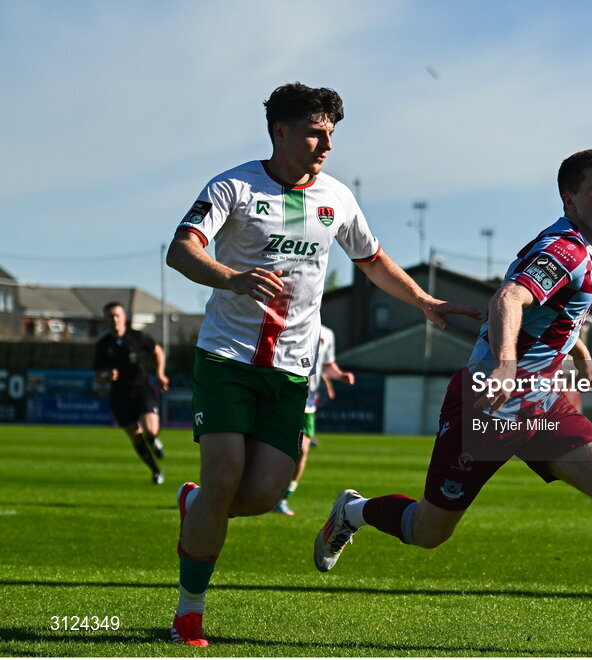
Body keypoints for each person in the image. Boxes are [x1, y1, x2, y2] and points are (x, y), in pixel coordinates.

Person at [313, 149, 592, 652]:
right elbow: (508, 298)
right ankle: (353, 512)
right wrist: (507, 366)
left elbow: (545, 302)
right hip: (488, 403)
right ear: (570, 198)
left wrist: (575, 346)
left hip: (541, 405)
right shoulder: (569, 247)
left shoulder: (574, 245)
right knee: (427, 530)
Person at [164, 82, 479, 648]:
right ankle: (190, 611)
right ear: (279, 131)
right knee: (226, 474)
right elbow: (181, 249)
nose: (326, 143)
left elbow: (373, 260)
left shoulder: (337, 197)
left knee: (262, 493)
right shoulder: (232, 185)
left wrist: (424, 301)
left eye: (331, 132)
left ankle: (196, 503)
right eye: (314, 130)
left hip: (291, 369)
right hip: (228, 357)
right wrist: (231, 277)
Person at [273, 324, 353, 516]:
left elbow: (327, 365)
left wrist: (340, 376)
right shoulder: (289, 323)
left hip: (308, 403)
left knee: (302, 450)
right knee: (272, 447)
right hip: (282, 395)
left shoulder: (327, 333)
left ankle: (283, 498)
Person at [93, 301, 169, 484]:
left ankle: (153, 439)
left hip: (142, 390)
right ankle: (156, 471)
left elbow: (158, 352)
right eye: (110, 316)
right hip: (119, 396)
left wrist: (160, 374)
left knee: (150, 429)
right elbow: (98, 374)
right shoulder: (103, 345)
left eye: (117, 315)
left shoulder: (137, 337)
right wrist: (106, 377)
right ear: (105, 320)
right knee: (135, 435)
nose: (114, 319)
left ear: (124, 318)